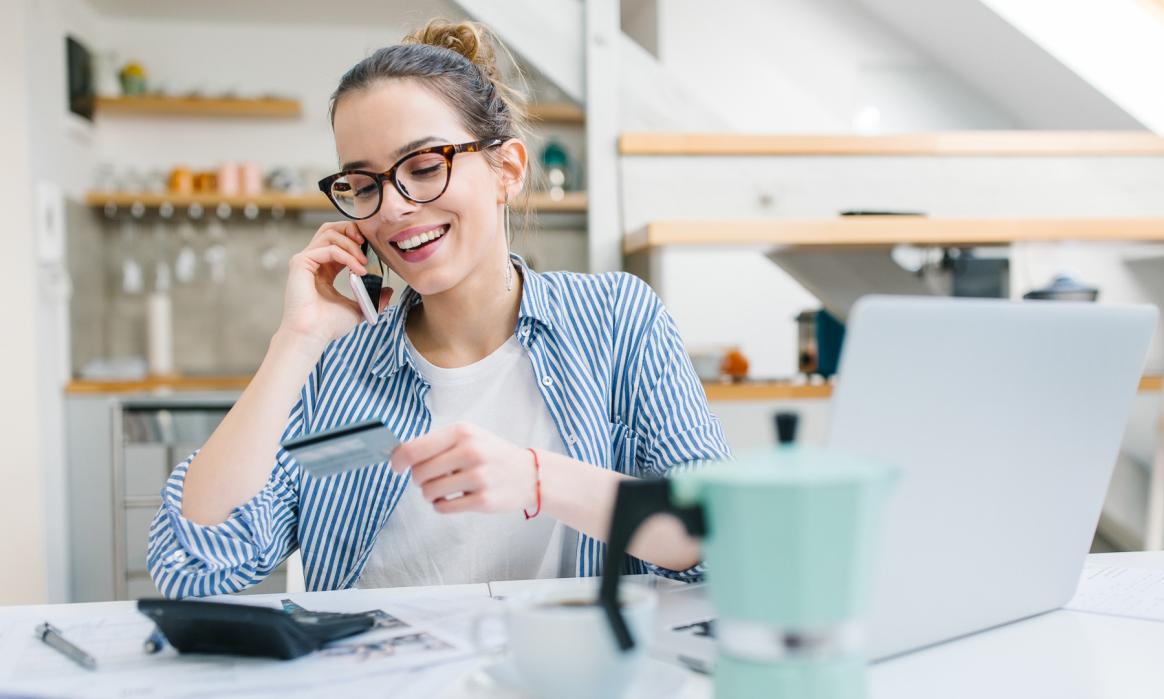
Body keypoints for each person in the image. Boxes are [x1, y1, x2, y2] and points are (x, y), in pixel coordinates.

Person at [147, 19, 729, 598]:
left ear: (507, 170)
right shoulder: (335, 365)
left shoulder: (616, 320)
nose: (394, 208)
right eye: (364, 184)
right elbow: (194, 565)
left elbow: (721, 538)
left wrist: (536, 477)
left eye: (424, 167)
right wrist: (295, 341)